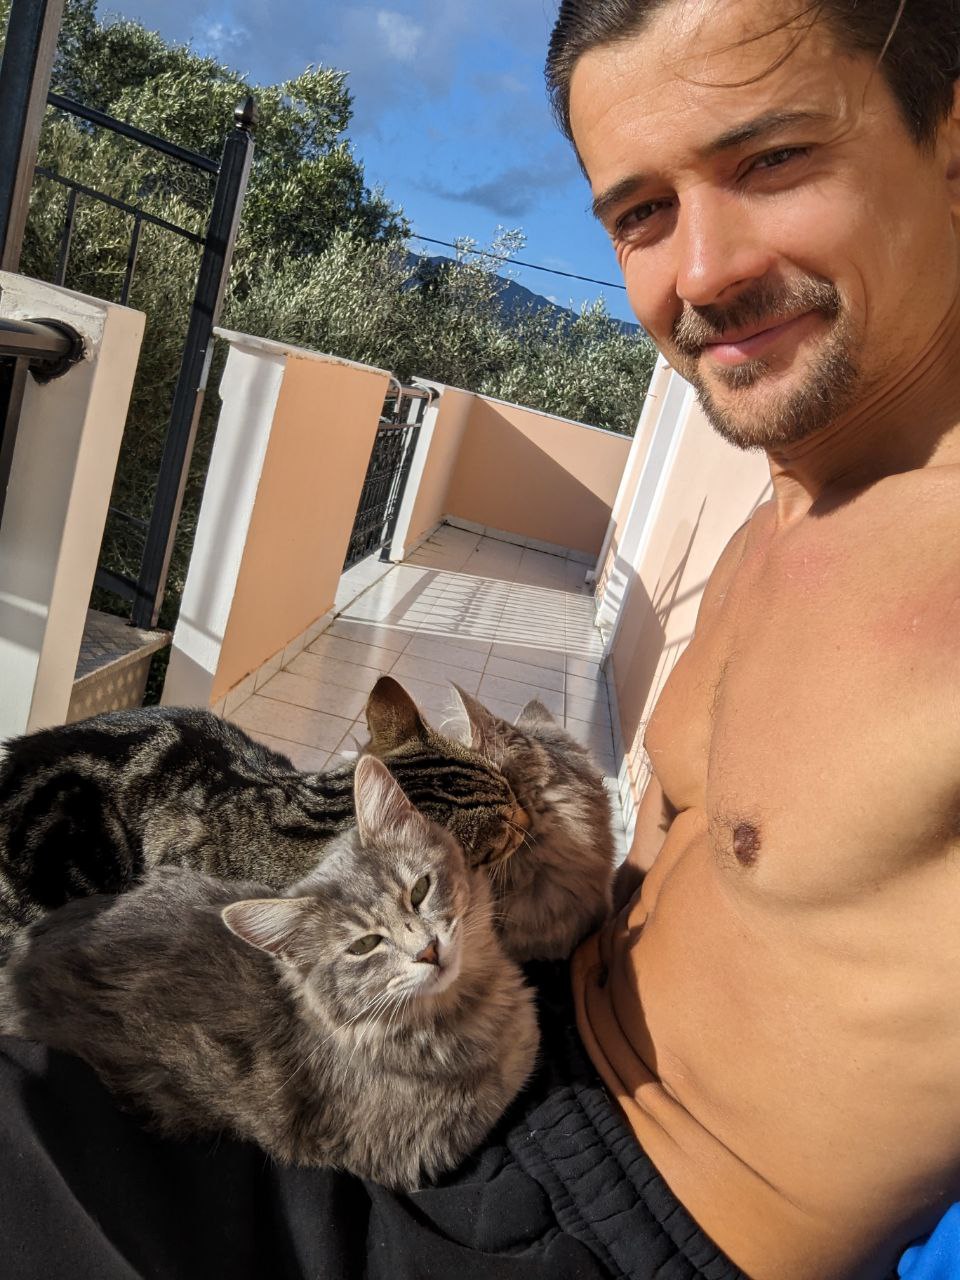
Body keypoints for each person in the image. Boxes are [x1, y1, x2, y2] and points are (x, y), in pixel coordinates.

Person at [2, 2, 957, 1277]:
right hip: (490, 1039)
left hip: (595, 1228)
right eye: (641, 213)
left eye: (772, 160)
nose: (701, 270)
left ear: (949, 133)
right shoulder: (783, 509)